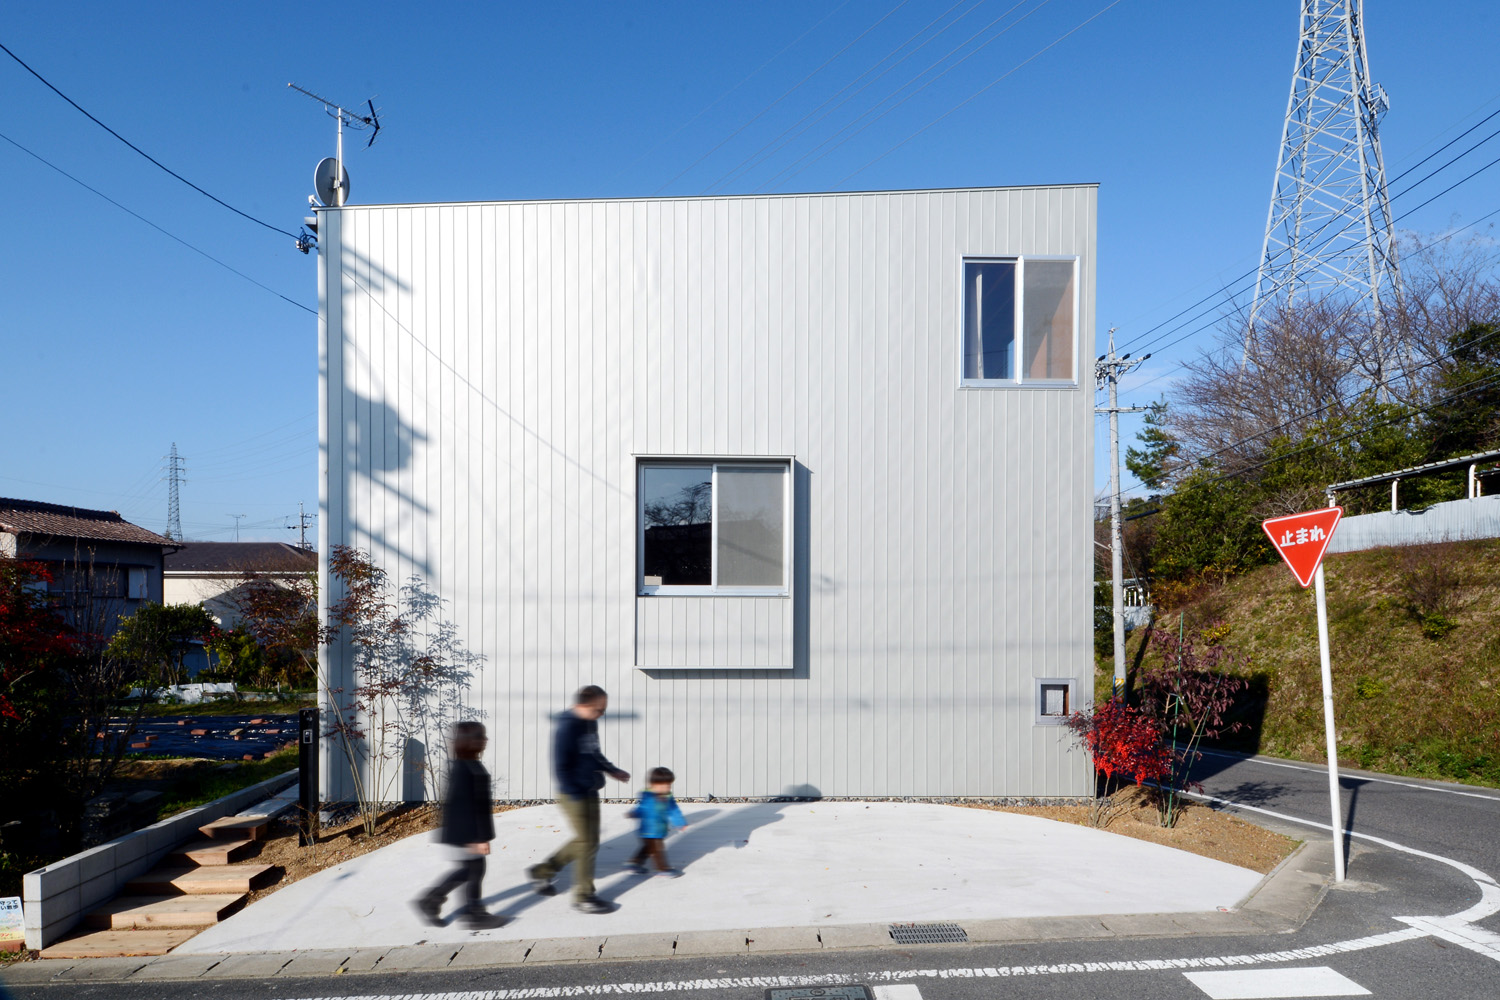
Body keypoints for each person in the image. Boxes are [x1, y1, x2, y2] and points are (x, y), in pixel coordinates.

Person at [527, 685, 629, 914]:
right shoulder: (567, 727)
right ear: (584, 705)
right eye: (599, 709)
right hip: (573, 793)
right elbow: (560, 766)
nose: (601, 714)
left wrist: (612, 770)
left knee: (589, 842)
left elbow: (594, 753)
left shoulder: (589, 722)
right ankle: (584, 896)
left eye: (603, 709)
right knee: (586, 843)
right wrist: (575, 792)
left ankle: (542, 872)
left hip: (589, 789)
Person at [413, 721, 507, 930]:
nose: (485, 741)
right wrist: (477, 839)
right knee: (473, 870)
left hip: (464, 832)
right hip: (466, 833)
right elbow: (466, 808)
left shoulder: (467, 765)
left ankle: (434, 901)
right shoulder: (466, 769)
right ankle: (470, 913)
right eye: (481, 737)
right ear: (470, 742)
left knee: (470, 870)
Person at [624, 766, 687, 877]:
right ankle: (662, 868)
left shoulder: (668, 797)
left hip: (660, 828)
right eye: (663, 785)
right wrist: (634, 813)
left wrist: (679, 822)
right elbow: (641, 808)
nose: (666, 788)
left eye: (669, 785)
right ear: (653, 784)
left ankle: (634, 863)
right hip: (647, 829)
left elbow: (673, 810)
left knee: (648, 848)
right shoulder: (647, 796)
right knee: (657, 849)